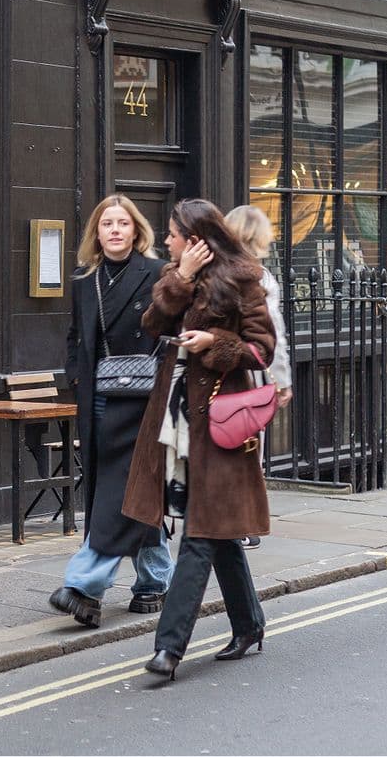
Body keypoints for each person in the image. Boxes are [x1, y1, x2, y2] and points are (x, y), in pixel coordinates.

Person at [123, 198, 275, 680]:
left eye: (171, 233)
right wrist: (181, 278)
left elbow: (261, 350)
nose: (165, 240)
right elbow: (150, 324)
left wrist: (215, 345)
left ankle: (169, 648)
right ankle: (249, 624)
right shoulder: (176, 274)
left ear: (194, 238)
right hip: (178, 417)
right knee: (220, 529)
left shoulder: (244, 278)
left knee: (202, 534)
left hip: (220, 419)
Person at [48, 194, 174, 630]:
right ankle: (154, 580)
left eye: (123, 223)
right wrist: (76, 377)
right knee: (118, 486)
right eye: (107, 224)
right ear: (96, 233)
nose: (115, 230)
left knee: (124, 488)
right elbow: (73, 337)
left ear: (137, 230)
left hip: (143, 398)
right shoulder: (85, 280)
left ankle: (86, 588)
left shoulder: (158, 273)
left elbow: (173, 331)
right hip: (100, 394)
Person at [225, 205, 294, 550]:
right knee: (250, 448)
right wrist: (281, 379)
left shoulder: (213, 273)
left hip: (213, 373)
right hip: (251, 374)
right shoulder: (261, 278)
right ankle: (244, 522)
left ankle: (226, 520)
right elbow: (274, 333)